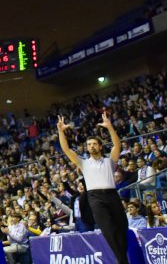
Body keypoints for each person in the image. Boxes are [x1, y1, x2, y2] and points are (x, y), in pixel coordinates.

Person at [58, 112, 126, 264]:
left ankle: (122, 259)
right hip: (95, 198)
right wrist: (61, 132)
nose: (91, 146)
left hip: (112, 195)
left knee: (122, 228)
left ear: (100, 146)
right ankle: (123, 262)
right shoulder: (84, 163)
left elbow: (117, 145)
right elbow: (66, 150)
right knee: (108, 230)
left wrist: (109, 127)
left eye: (94, 143)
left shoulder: (110, 161)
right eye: (89, 144)